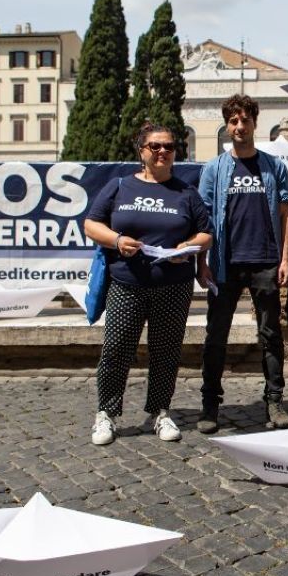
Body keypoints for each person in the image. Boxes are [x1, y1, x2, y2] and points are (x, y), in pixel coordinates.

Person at [84, 123, 212, 446]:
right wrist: (117, 240)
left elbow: (206, 233)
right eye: (155, 146)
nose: (162, 152)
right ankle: (106, 413)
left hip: (174, 285)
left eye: (168, 146)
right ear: (141, 151)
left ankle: (160, 411)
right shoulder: (119, 187)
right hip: (127, 283)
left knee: (166, 350)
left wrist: (186, 248)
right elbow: (90, 224)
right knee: (116, 349)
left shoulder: (186, 193)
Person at [196, 94, 288, 433]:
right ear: (228, 125)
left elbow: (285, 216)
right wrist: (201, 262)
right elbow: (204, 221)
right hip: (224, 263)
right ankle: (210, 404)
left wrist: (285, 259)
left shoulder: (273, 167)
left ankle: (274, 399)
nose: (239, 127)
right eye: (233, 121)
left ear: (255, 123)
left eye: (245, 121)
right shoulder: (214, 169)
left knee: (270, 334)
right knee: (216, 335)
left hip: (265, 261)